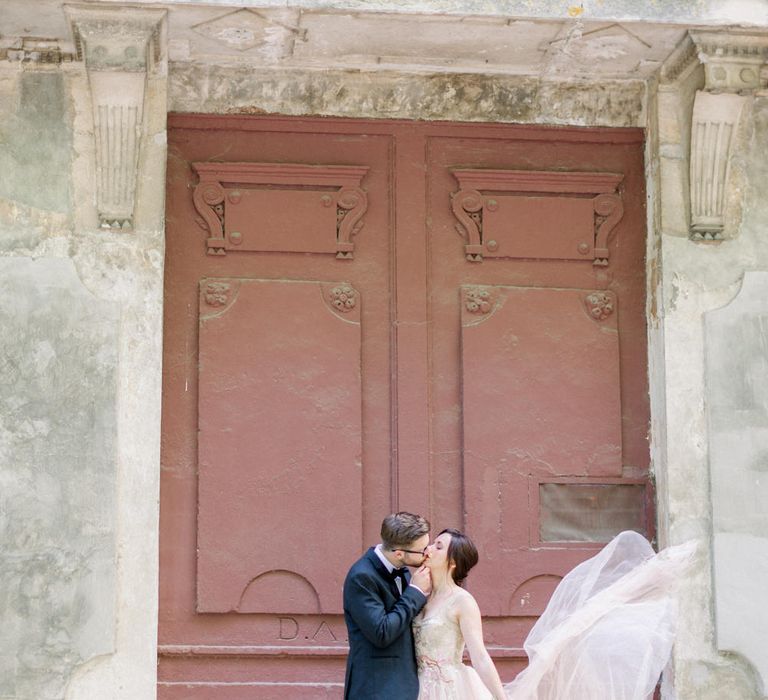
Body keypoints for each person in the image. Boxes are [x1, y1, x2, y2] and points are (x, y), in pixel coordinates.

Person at [414, 528, 696, 700]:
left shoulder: (463, 602)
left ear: (452, 562)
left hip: (450, 690)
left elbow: (480, 656)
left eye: (438, 545)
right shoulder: (419, 594)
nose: (429, 548)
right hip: (413, 686)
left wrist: (500, 698)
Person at [343, 512, 433, 700]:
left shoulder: (404, 571)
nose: (428, 553)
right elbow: (381, 632)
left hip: (406, 683)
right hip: (377, 687)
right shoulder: (362, 577)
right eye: (423, 549)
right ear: (399, 553)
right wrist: (415, 592)